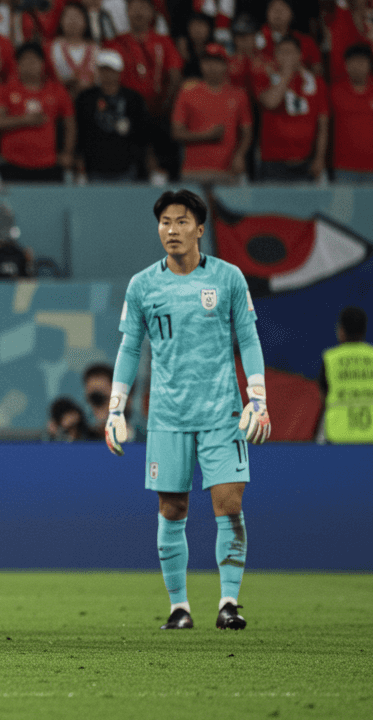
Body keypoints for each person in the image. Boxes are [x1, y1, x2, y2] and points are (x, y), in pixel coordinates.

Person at [104, 189, 271, 632]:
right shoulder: (143, 284)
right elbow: (129, 347)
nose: (172, 230)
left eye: (181, 221)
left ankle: (229, 602)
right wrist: (115, 409)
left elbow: (248, 339)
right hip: (167, 416)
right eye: (165, 222)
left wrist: (259, 398)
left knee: (228, 503)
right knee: (172, 509)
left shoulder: (229, 278)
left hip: (222, 413)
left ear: (200, 228)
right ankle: (179, 608)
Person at [0, 42, 75, 182]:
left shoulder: (57, 90)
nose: (30, 64)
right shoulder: (5, 90)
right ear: (17, 65)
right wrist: (24, 120)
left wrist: (67, 152)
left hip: (48, 164)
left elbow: (70, 124)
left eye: (34, 60)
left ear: (42, 63)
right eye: (25, 60)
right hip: (12, 162)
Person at [171, 44, 251, 184]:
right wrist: (206, 135)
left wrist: (240, 155)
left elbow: (247, 132)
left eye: (217, 62)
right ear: (201, 64)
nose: (212, 66)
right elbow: (177, 132)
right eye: (207, 61)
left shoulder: (239, 95)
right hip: (193, 171)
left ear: (226, 65)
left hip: (227, 171)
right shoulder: (187, 93)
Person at [254, 35, 327, 182]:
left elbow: (323, 125)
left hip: (305, 161)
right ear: (275, 56)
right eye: (281, 52)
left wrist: (319, 158)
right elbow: (271, 102)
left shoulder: (316, 82)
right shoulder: (264, 77)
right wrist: (286, 74)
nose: (286, 56)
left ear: (300, 55)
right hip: (273, 162)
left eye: (290, 52)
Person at [75, 49, 150, 182]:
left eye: (111, 70)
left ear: (119, 72)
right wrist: (79, 158)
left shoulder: (133, 99)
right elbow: (80, 130)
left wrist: (144, 161)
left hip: (126, 166)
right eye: (104, 70)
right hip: (94, 167)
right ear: (98, 71)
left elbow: (143, 133)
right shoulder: (86, 98)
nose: (107, 74)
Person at [321, 306, 373, 443]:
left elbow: (323, 393)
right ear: (364, 330)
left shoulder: (330, 358)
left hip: (339, 438)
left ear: (341, 330)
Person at [331, 45, 373, 184]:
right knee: (343, 207)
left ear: (369, 64)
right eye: (353, 62)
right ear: (346, 65)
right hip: (344, 168)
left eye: (362, 62)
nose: (357, 66)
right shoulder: (335, 92)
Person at [49, 2, 99, 94]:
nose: (73, 21)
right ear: (61, 21)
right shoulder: (52, 47)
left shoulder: (95, 49)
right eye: (68, 16)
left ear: (85, 21)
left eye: (77, 16)